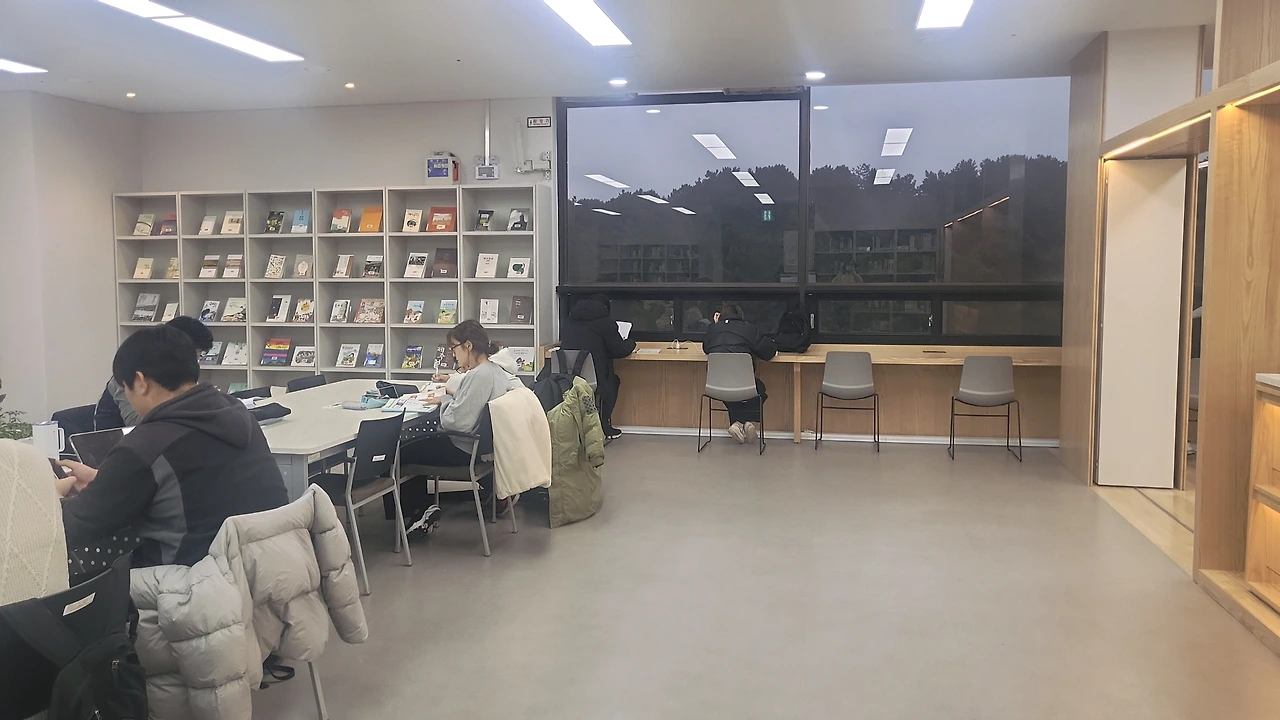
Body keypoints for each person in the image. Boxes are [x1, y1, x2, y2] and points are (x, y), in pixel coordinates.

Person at [57, 325, 288, 568]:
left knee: (103, 578)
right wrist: (104, 481)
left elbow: (72, 527)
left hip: (196, 579)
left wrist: (53, 496)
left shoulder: (146, 444)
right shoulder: (239, 414)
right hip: (270, 567)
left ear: (140, 382)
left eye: (126, 388)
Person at [399, 321, 520, 532]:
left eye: (454, 348)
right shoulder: (495, 370)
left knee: (402, 451)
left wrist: (445, 401)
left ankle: (416, 514)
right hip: (482, 448)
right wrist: (450, 399)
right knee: (416, 445)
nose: (453, 355)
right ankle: (421, 510)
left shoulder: (479, 375)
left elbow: (457, 423)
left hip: (465, 448)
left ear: (468, 346)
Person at [94, 315, 214, 430]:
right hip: (114, 440)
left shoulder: (177, 371)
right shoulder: (130, 372)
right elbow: (137, 423)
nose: (195, 361)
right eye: (196, 353)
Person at [560, 294, 636, 438]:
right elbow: (619, 350)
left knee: (593, 386)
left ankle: (578, 427)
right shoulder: (606, 322)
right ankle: (604, 427)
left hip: (567, 377)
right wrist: (631, 342)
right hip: (594, 379)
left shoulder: (570, 320)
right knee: (611, 382)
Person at [701, 303, 777, 444]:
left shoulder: (713, 329)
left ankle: (738, 424)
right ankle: (744, 422)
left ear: (720, 316)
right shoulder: (749, 329)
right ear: (740, 316)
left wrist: (716, 325)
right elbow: (769, 352)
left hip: (716, 384)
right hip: (744, 384)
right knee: (758, 389)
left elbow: (706, 348)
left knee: (731, 393)